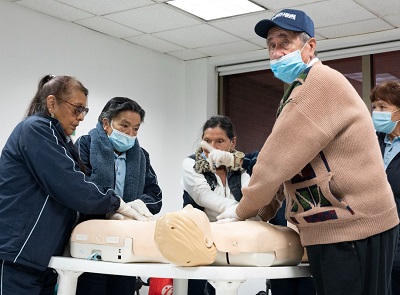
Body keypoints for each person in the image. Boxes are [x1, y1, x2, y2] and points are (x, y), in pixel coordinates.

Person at [214, 9, 400, 295]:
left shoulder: (319, 84)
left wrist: (244, 210)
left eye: (285, 42)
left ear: (309, 46)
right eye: (271, 45)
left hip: (357, 227)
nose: (276, 53)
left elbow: (274, 161)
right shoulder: (297, 88)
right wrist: (262, 211)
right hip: (334, 228)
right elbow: (292, 165)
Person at [0, 75, 152, 295]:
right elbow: (70, 185)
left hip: (41, 257)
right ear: (52, 103)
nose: (81, 117)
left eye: (84, 111)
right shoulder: (36, 129)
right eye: (77, 109)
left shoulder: (60, 139)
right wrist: (117, 204)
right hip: (19, 254)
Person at [74, 96, 162, 295]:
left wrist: (136, 206)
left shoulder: (141, 156)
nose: (130, 134)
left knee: (123, 288)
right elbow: (81, 187)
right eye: (124, 126)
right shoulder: (85, 145)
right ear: (106, 123)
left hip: (127, 240)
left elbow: (155, 194)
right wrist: (112, 207)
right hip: (92, 239)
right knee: (91, 287)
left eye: (136, 128)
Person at [181, 115, 250, 295]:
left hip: (230, 241)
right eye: (207, 140)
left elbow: (251, 198)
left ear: (232, 143)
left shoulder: (243, 168)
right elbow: (204, 196)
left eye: (220, 141)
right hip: (199, 241)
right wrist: (241, 210)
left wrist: (246, 209)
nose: (213, 146)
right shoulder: (191, 163)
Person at [370, 81, 400, 295]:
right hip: (377, 243)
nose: (376, 112)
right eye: (374, 107)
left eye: (383, 107)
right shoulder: (371, 144)